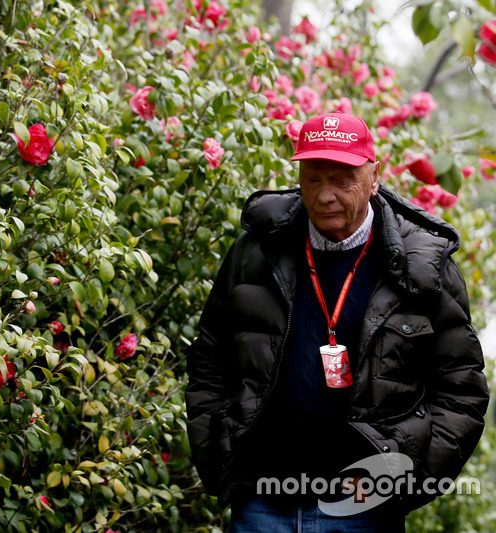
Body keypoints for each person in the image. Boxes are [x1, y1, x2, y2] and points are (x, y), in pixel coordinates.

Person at [185, 112, 489, 531]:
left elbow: (461, 391)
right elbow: (208, 362)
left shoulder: (423, 267)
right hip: (263, 500)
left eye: (342, 179)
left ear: (374, 177)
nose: (325, 195)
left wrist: (403, 481)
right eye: (313, 179)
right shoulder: (257, 251)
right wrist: (218, 452)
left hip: (364, 510)